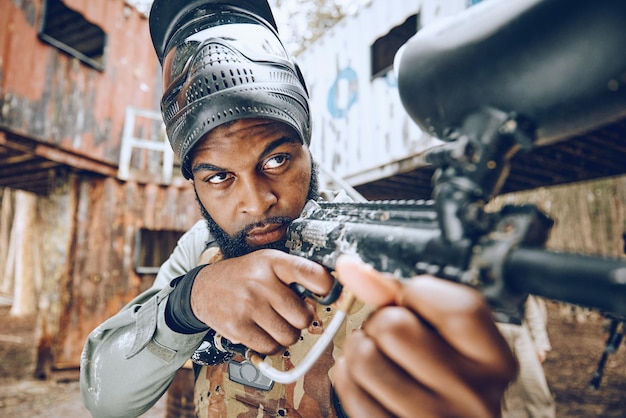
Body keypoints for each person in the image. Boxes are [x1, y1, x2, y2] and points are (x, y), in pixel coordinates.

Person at [80, 1, 516, 417]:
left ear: (306, 148)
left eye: (276, 161)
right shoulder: (200, 249)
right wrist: (188, 302)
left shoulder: (380, 258)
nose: (256, 202)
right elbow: (106, 399)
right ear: (193, 182)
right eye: (218, 177)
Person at [498, 296, 556, 418]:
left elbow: (529, 305)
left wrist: (540, 342)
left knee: (535, 388)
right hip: (487, 327)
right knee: (493, 395)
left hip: (519, 330)